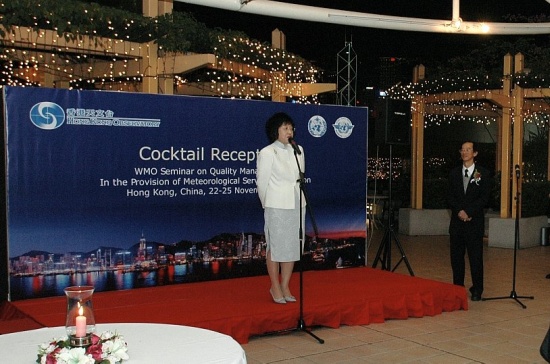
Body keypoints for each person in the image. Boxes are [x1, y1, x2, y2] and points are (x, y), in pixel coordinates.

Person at [256, 112, 305, 304]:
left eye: (291, 128)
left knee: (292, 245)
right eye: (285, 128)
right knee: (276, 246)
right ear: (275, 130)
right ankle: (274, 286)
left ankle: (285, 285)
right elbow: (262, 183)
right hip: (276, 205)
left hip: (296, 203)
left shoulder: (298, 150)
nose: (289, 131)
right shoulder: (267, 152)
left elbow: (300, 177)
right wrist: (267, 204)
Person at [447, 141, 491, 301]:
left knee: (475, 258)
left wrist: (470, 212)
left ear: (475, 153)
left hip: (474, 223)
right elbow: (450, 197)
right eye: (462, 150)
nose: (464, 152)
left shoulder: (483, 174)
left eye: (468, 149)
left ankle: (477, 289)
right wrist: (460, 211)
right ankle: (457, 287)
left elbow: (485, 198)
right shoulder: (453, 173)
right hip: (457, 223)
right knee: (456, 258)